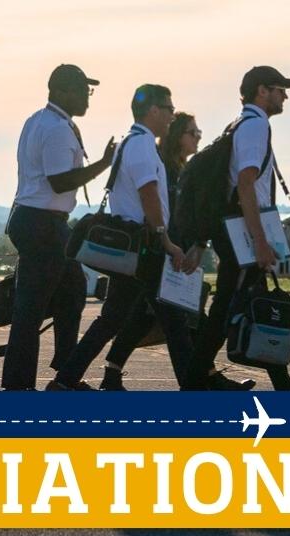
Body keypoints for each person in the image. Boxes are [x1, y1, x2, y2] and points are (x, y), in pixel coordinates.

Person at [190, 66, 290, 416]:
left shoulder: (242, 124)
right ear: (260, 91)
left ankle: (206, 381)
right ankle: (195, 382)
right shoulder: (255, 126)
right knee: (227, 310)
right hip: (243, 234)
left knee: (241, 308)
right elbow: (245, 183)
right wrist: (260, 240)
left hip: (237, 233)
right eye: (279, 88)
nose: (285, 95)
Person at [48, 85, 200, 391]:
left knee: (113, 319)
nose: (172, 115)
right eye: (169, 109)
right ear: (153, 111)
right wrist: (165, 239)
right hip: (147, 245)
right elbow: (149, 194)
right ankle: (195, 392)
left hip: (133, 247)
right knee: (174, 323)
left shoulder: (130, 142)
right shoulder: (143, 144)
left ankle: (64, 380)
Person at [0, 64, 114, 391]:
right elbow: (60, 181)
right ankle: (21, 383)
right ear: (61, 91)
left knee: (72, 290)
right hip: (42, 224)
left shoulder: (37, 121)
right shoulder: (57, 129)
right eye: (81, 90)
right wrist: (104, 164)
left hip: (34, 219)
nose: (87, 97)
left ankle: (66, 374)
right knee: (32, 305)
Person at [97, 112, 202, 390]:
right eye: (193, 132)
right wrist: (173, 246)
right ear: (177, 136)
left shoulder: (177, 168)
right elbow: (160, 210)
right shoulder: (165, 167)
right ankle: (199, 385)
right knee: (175, 323)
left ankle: (107, 373)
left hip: (164, 250)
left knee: (143, 318)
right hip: (160, 251)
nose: (198, 137)